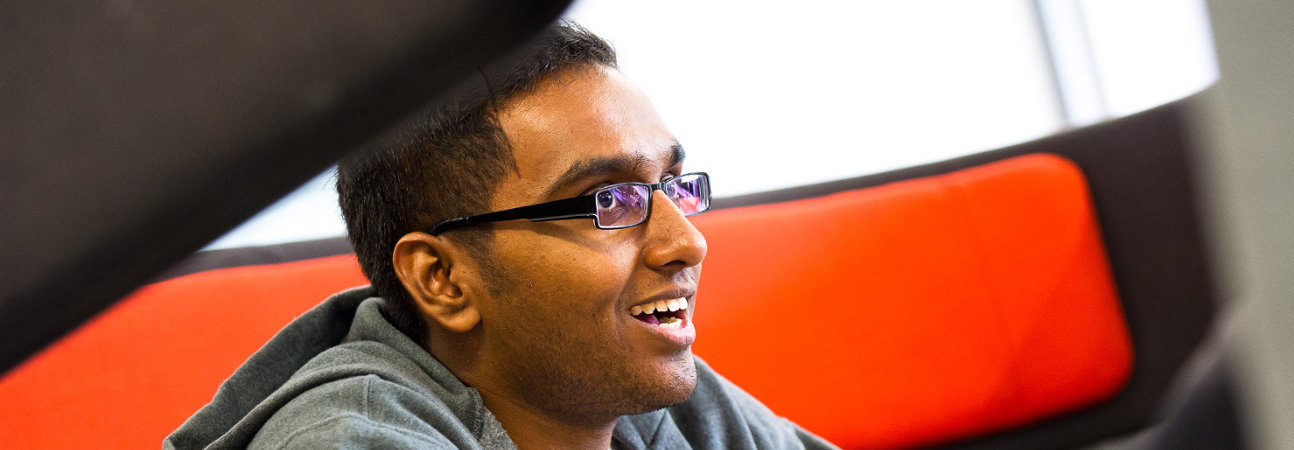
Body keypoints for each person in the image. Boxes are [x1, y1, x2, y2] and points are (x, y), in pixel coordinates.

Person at [165, 21, 834, 449]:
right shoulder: (345, 438)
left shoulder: (623, 389)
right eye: (609, 200)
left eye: (670, 185)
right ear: (443, 280)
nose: (687, 242)